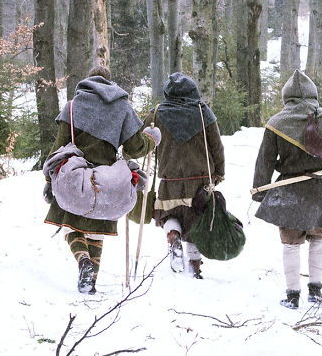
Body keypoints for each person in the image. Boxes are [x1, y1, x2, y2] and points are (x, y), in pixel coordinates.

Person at [43, 66, 162, 294]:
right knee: (97, 231)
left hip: (74, 179)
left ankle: (83, 261)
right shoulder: (122, 108)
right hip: (105, 183)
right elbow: (135, 148)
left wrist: (49, 181)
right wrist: (151, 138)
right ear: (110, 83)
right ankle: (91, 282)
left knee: (71, 226)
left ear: (88, 81)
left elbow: (58, 148)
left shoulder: (73, 106)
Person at [252, 69, 322, 309]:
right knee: (318, 236)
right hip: (317, 190)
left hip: (289, 193)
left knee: (291, 243)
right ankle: (315, 291)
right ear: (313, 94)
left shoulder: (276, 123)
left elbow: (264, 160)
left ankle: (292, 296)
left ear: (287, 97)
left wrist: (259, 189)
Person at [143, 72, 225, 279]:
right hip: (199, 180)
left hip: (169, 179)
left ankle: (174, 237)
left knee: (168, 216)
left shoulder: (156, 113)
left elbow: (142, 142)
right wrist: (219, 172)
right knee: (197, 221)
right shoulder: (202, 112)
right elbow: (216, 146)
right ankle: (195, 267)